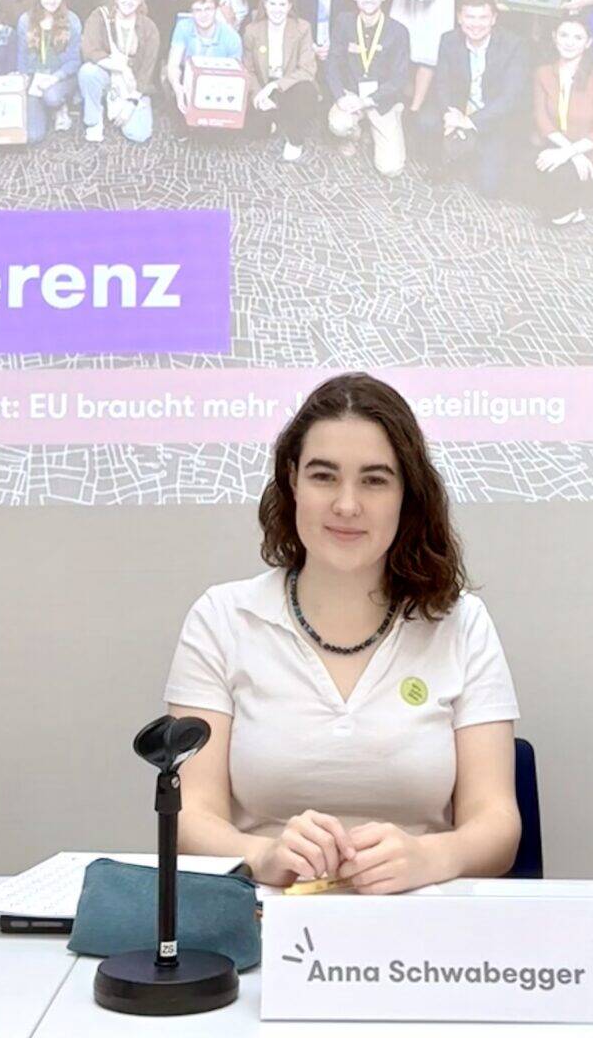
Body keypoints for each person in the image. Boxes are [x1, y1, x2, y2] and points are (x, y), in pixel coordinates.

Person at [166, 372, 520, 891]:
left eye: (374, 479)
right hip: (264, 917)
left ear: (407, 494)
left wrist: (430, 856)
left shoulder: (461, 624)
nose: (347, 505)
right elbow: (190, 817)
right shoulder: (221, 619)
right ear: (292, 481)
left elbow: (498, 826)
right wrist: (261, 855)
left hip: (422, 922)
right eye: (323, 476)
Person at [411, 0, 528, 196]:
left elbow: (510, 97)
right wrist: (450, 113)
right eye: (469, 17)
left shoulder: (513, 45)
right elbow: (442, 82)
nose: (475, 24)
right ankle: (448, 156)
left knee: (489, 187)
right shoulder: (449, 39)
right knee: (426, 120)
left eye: (483, 17)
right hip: (459, 109)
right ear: (459, 18)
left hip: (492, 116)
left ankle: (472, 153)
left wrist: (469, 121)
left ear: (494, 19)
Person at [526, 14, 593, 226]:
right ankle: (572, 201)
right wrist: (568, 153)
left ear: (588, 43)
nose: (569, 42)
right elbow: (541, 118)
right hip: (556, 148)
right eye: (564, 35)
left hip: (591, 158)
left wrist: (570, 153)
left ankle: (572, 210)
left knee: (557, 183)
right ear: (554, 37)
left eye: (577, 38)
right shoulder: (543, 73)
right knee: (518, 177)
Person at [324, 0, 410, 177]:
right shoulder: (344, 22)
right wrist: (340, 96)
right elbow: (332, 64)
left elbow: (400, 78)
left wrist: (369, 100)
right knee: (339, 124)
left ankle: (381, 125)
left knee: (391, 169)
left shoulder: (398, 31)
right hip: (351, 95)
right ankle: (354, 135)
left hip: (382, 99)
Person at [79, 0, 160, 143]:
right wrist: (121, 68)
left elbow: (147, 70)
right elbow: (89, 51)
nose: (128, 1)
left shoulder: (149, 28)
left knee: (139, 134)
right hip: (107, 76)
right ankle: (94, 120)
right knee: (88, 72)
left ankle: (128, 105)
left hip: (132, 85)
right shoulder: (100, 16)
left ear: (141, 1)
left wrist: (131, 102)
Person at [242, 0, 318, 160]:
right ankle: (276, 118)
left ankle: (295, 139)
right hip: (263, 85)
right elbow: (249, 69)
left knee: (306, 91)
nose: (277, 10)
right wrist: (257, 95)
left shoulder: (302, 28)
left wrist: (275, 86)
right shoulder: (252, 31)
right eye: (273, 4)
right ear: (265, 5)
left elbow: (307, 70)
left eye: (282, 5)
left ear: (290, 6)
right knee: (253, 130)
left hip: (291, 84)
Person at [17, 0, 82, 140]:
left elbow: (75, 60)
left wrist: (55, 78)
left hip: (62, 77)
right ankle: (47, 110)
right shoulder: (26, 20)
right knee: (33, 136)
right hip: (36, 79)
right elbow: (22, 54)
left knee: (51, 97)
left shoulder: (72, 20)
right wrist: (23, 77)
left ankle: (60, 105)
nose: (52, 0)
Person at [165, 0, 243, 121]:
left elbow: (235, 76)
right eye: (198, 10)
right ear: (191, 12)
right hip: (189, 77)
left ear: (216, 10)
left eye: (208, 9)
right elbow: (173, 64)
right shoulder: (183, 27)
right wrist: (178, 88)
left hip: (220, 81)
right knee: (182, 117)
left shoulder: (231, 36)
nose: (203, 15)